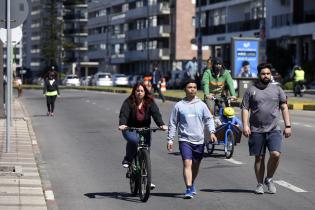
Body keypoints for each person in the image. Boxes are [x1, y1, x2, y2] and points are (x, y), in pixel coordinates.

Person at [241, 63, 292, 194]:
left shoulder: (277, 89)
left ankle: (269, 179)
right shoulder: (251, 90)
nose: (266, 76)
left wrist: (288, 125)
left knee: (275, 154)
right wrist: (245, 125)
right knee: (259, 158)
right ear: (258, 75)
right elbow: (245, 108)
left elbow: (284, 107)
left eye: (268, 74)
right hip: (256, 129)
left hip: (273, 128)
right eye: (263, 74)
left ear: (271, 75)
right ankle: (259, 184)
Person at [167, 79, 217, 199]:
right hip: (185, 139)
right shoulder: (179, 105)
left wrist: (212, 132)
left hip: (199, 140)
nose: (192, 89)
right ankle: (188, 188)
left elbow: (209, 119)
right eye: (190, 87)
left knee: (195, 165)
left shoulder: (201, 105)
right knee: (187, 163)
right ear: (185, 89)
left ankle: (192, 182)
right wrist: (170, 139)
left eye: (194, 87)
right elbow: (173, 123)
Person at [118, 83, 168, 187]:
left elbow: (156, 114)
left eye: (141, 91)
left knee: (146, 153)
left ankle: (146, 180)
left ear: (145, 92)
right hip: (129, 129)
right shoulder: (128, 102)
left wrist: (161, 124)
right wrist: (122, 124)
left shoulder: (149, 102)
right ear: (134, 92)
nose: (139, 93)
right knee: (134, 140)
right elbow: (124, 114)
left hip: (145, 129)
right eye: (137, 91)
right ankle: (128, 158)